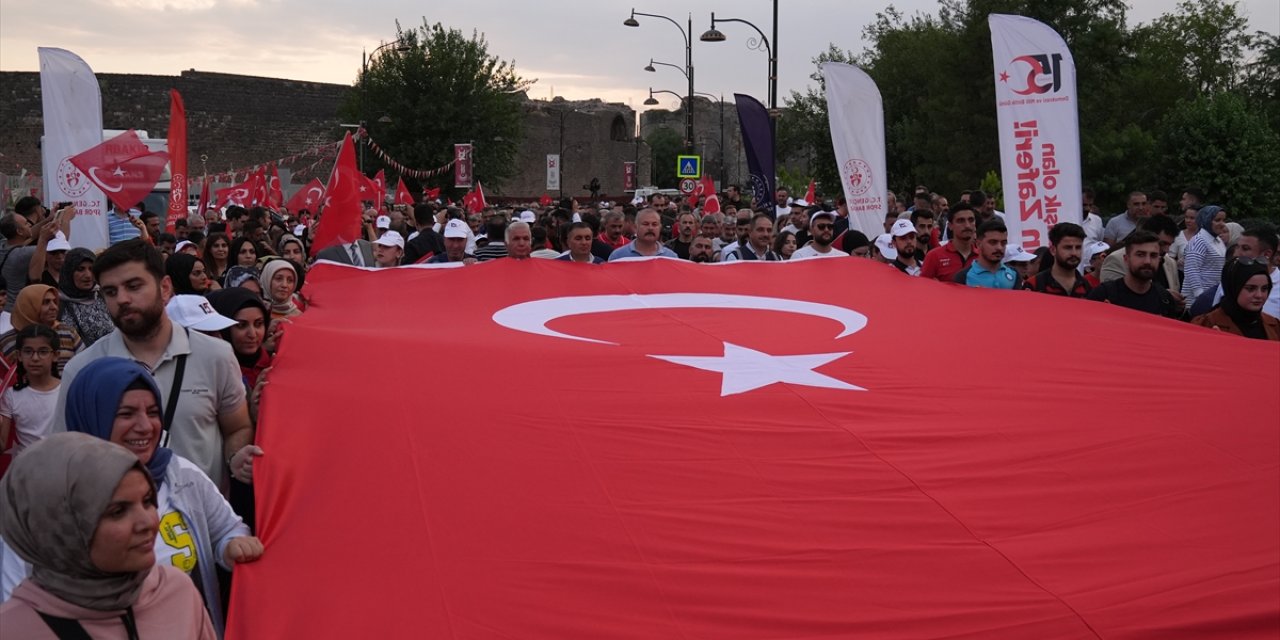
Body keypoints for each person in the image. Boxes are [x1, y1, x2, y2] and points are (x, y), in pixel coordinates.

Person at [1, 359, 262, 634]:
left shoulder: (180, 474)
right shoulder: (48, 496)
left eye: (152, 412)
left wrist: (231, 546)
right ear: (92, 415)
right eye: (125, 414)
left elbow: (227, 529)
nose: (145, 426)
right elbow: (12, 593)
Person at [52, 240, 256, 489]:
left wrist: (234, 457)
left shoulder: (216, 355)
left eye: (134, 286)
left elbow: (237, 427)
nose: (122, 299)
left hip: (201, 522)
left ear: (166, 287)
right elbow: (65, 453)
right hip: (118, 522)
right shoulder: (83, 368)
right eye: (110, 292)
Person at [0, 433, 217, 639]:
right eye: (118, 511)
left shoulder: (177, 592)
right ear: (61, 528)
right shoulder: (14, 630)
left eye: (148, 501)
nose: (149, 522)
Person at [1086, 230, 1180, 318]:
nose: (1147, 261)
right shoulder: (1103, 294)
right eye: (1140, 255)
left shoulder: (1164, 300)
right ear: (1126, 259)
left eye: (1153, 256)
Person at [0, 325, 61, 457]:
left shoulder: (68, 389)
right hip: (26, 471)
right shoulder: (11, 395)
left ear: (55, 355)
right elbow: (3, 444)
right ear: (19, 355)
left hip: (62, 469)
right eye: (28, 351)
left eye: (43, 351)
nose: (35, 358)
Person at [0, 285, 83, 375]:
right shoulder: (7, 342)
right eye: (46, 302)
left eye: (55, 302)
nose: (54, 307)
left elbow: (84, 364)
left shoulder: (69, 333)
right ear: (29, 306)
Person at [1192, 258, 1280, 340]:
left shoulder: (1274, 324)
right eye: (1250, 288)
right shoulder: (1207, 324)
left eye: (1264, 289)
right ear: (1233, 289)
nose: (1259, 295)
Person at [53, 248, 114, 348]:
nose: (88, 276)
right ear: (69, 271)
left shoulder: (102, 297)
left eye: (91, 269)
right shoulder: (56, 303)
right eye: (80, 269)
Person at [1025, 222, 1092, 297]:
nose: (1074, 253)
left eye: (1078, 247)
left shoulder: (1088, 287)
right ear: (1053, 250)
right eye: (1068, 248)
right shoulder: (1034, 285)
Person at [954, 220, 1020, 289]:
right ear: (978, 244)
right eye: (993, 242)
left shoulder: (1014, 274)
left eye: (1003, 243)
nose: (999, 248)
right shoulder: (963, 277)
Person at [1181, 205, 1228, 301]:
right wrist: (1200, 296)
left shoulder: (1218, 240)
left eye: (1223, 220)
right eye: (1217, 220)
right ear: (1207, 220)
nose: (1222, 224)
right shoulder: (1198, 241)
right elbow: (1191, 270)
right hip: (1197, 299)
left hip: (1212, 296)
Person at [921, 203, 977, 282]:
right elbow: (923, 288)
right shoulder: (934, 256)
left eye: (971, 220)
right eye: (961, 221)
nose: (967, 225)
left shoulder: (983, 256)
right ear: (950, 225)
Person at [609, 209, 678, 260]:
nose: (650, 228)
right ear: (636, 227)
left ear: (660, 228)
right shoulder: (618, 256)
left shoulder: (671, 257)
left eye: (654, 224)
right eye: (645, 224)